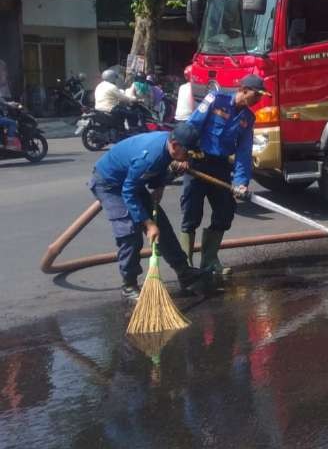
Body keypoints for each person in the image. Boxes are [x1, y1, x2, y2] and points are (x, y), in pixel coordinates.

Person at [89, 125, 210, 302]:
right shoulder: (150, 157)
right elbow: (128, 191)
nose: (189, 157)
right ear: (175, 145)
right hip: (110, 184)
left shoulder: (167, 148)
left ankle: (184, 272)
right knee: (129, 231)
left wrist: (160, 185)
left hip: (131, 181)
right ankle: (129, 285)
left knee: (161, 225)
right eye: (188, 152)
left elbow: (153, 175)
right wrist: (148, 224)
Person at [180, 74, 269, 276]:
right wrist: (183, 154)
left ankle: (210, 261)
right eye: (257, 95)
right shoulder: (215, 99)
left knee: (225, 212)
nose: (259, 100)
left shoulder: (248, 118)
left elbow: (244, 152)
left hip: (220, 167)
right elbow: (193, 125)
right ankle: (184, 266)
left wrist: (241, 183)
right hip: (197, 162)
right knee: (191, 214)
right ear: (244, 89)